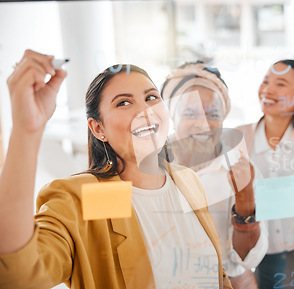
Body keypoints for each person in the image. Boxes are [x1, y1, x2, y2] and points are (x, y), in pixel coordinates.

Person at [0, 50, 232, 289]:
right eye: (123, 102)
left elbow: (216, 275)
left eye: (151, 98)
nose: (145, 111)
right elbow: (19, 274)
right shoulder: (95, 198)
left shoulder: (187, 181)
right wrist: (26, 130)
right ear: (98, 128)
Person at [160, 61, 267, 288]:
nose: (203, 125)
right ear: (171, 116)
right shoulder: (150, 166)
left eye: (213, 114)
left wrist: (244, 198)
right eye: (190, 113)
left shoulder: (244, 169)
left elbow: (248, 257)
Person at [238, 59, 294, 288]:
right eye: (265, 81)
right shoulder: (242, 138)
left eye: (280, 83)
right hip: (264, 256)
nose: (268, 89)